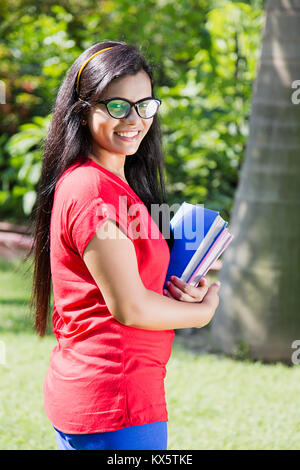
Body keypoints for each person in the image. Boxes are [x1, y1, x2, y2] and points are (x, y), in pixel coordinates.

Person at [27, 40, 221, 450]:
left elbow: (136, 288)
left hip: (115, 397)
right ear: (83, 112)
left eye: (144, 105)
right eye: (117, 106)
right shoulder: (93, 191)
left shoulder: (116, 185)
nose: (134, 119)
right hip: (115, 403)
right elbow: (130, 307)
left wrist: (184, 292)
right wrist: (201, 314)